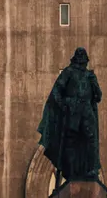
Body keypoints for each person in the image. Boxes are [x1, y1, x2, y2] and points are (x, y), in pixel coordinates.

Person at [37, 47, 102, 183]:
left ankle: (91, 170)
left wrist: (94, 85)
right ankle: (71, 172)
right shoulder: (68, 72)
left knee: (90, 140)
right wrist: (64, 105)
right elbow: (56, 91)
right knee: (71, 141)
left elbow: (98, 96)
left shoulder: (90, 75)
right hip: (73, 111)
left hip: (86, 111)